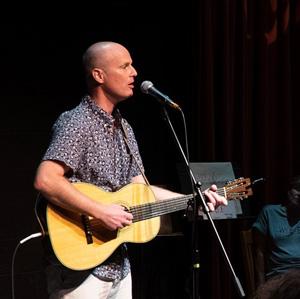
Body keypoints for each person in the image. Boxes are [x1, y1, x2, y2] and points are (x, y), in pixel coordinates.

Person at [34, 41, 228, 299]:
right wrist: (101, 211)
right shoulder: (77, 122)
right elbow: (46, 180)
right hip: (79, 272)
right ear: (99, 75)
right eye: (125, 66)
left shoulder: (124, 128)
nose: (134, 72)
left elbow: (141, 189)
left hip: (119, 267)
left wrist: (192, 201)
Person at [252, 175, 300, 288]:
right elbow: (259, 251)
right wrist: (261, 285)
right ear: (289, 191)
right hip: (280, 275)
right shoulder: (270, 212)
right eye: (297, 188)